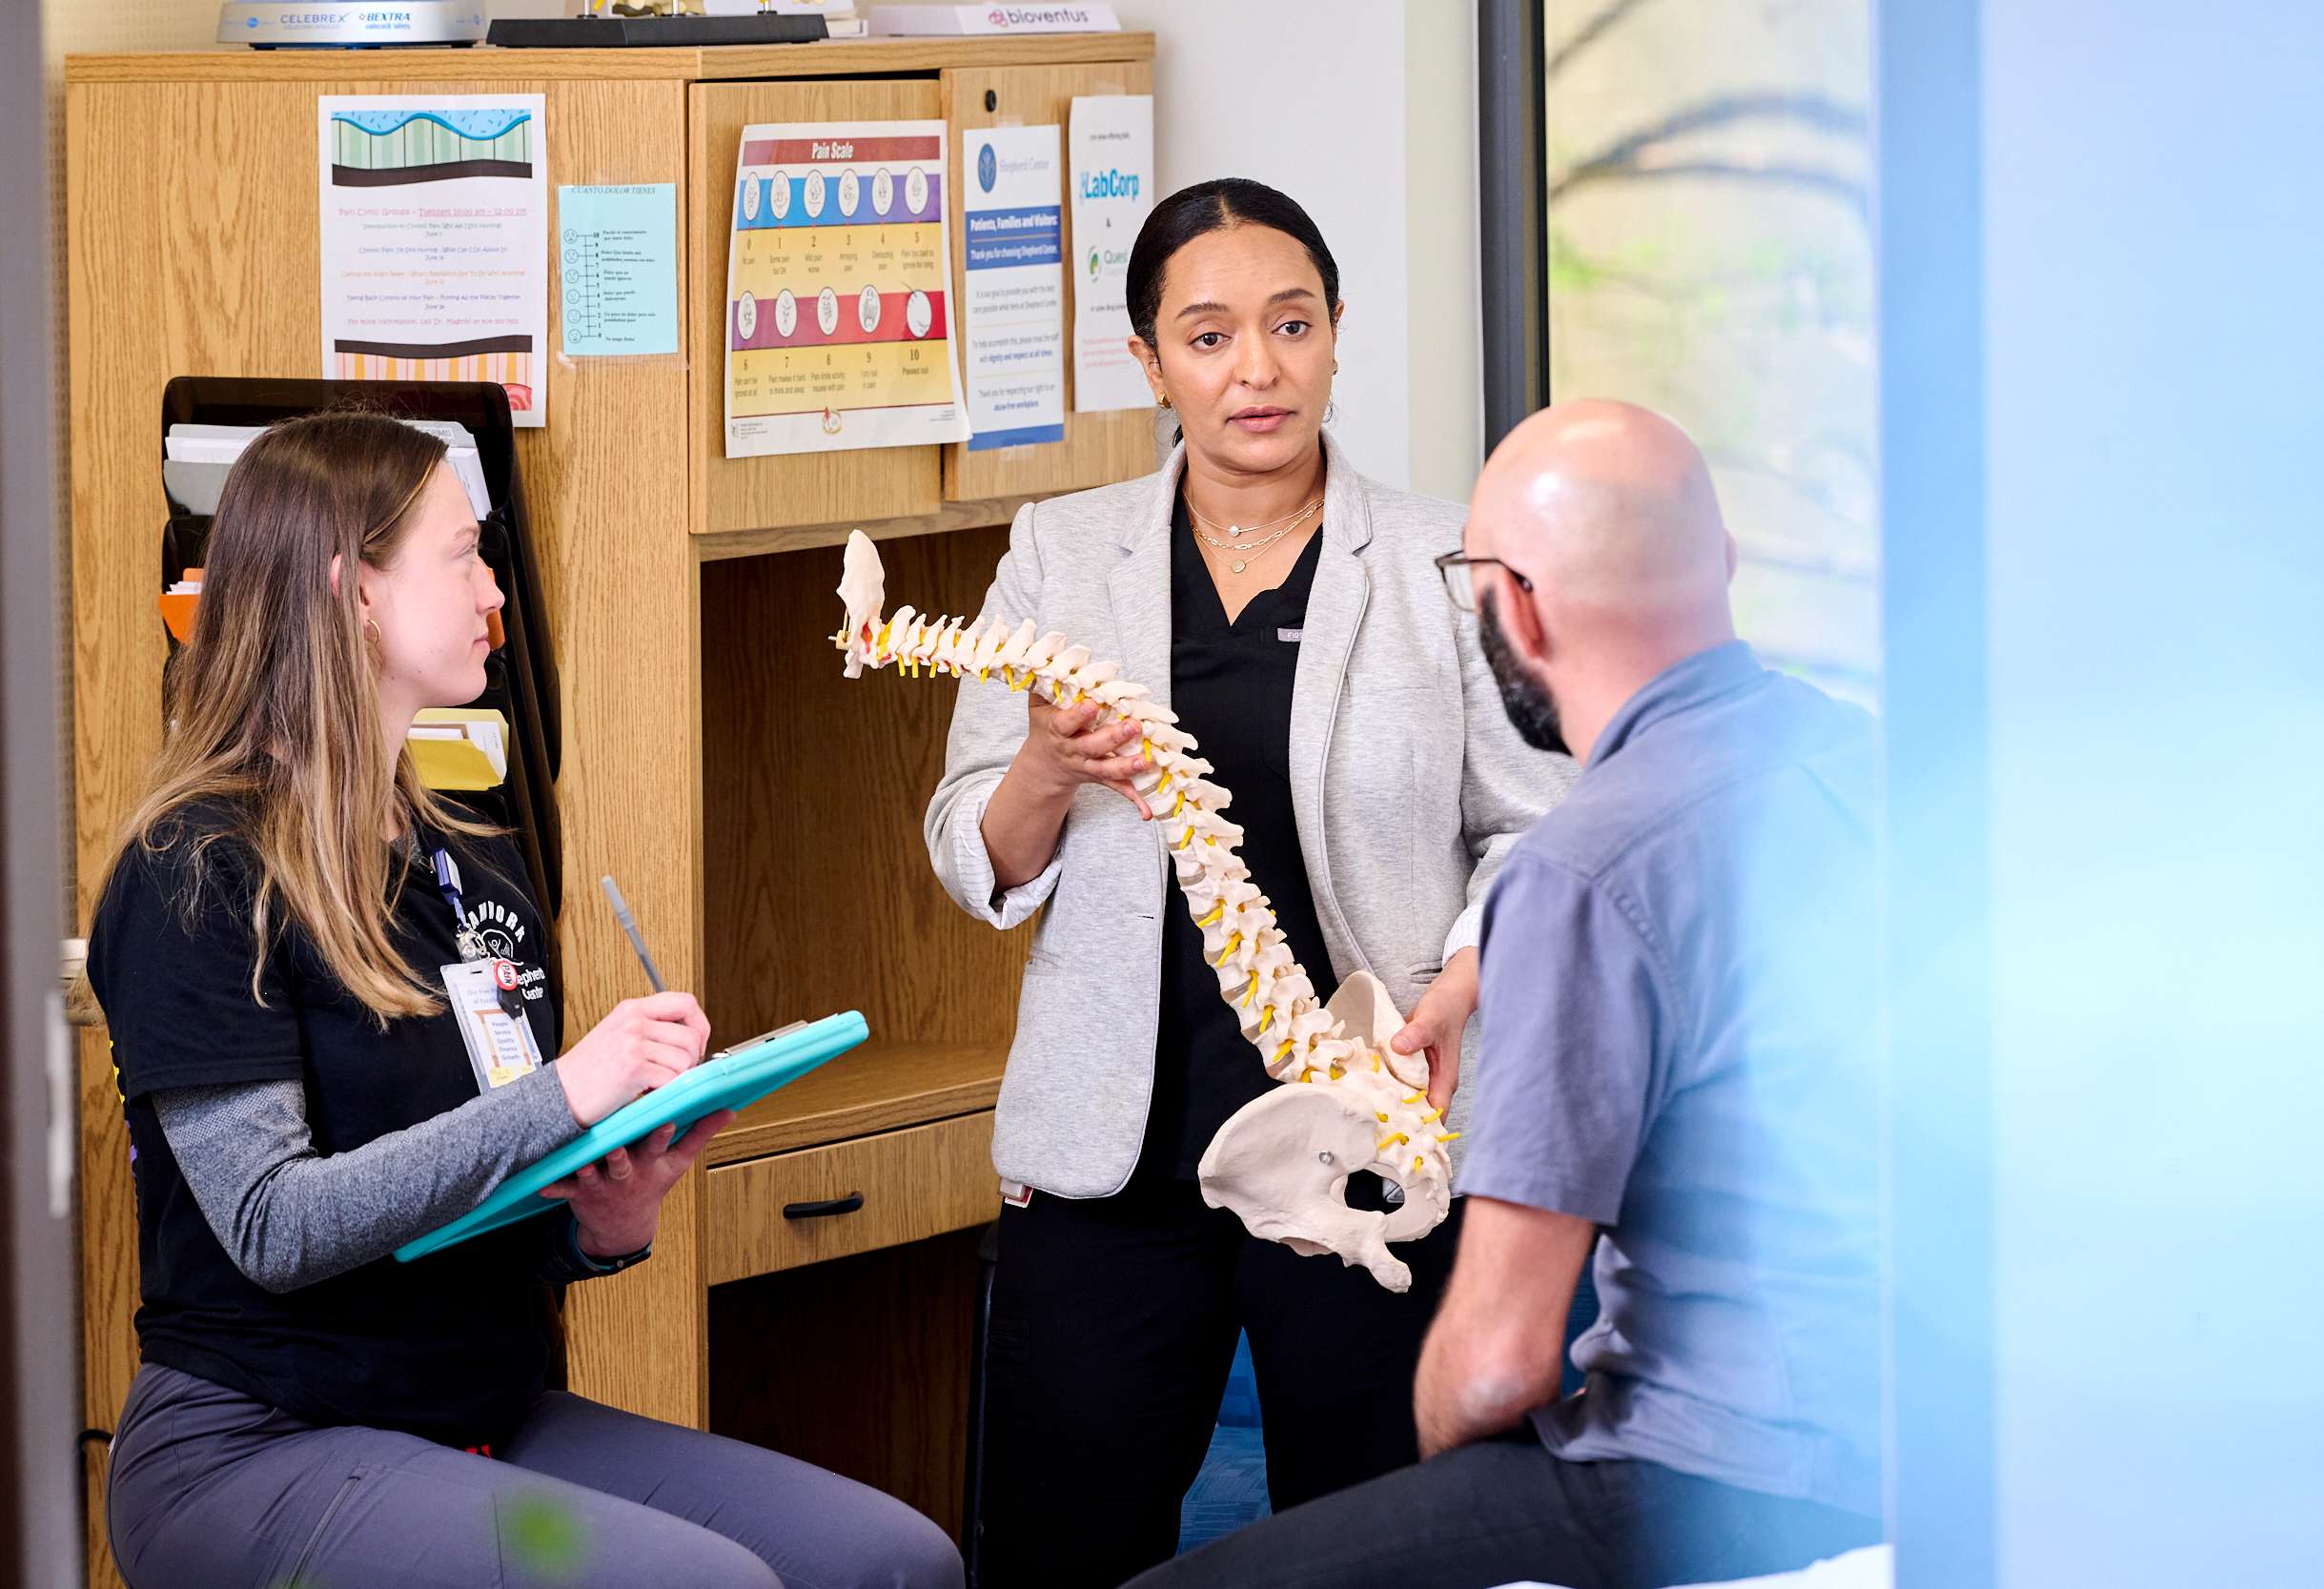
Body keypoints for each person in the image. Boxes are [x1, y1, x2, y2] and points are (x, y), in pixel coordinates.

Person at [83, 413, 961, 1589]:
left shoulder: (471, 857)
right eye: (463, 554)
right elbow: (274, 1225)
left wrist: (604, 1217)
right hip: (260, 1440)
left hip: (479, 1409)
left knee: (892, 1560)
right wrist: (567, 1088)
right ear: (353, 590)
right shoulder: (195, 869)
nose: (495, 587)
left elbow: (482, 1181)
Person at [925, 179, 1572, 1588]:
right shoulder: (1061, 551)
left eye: (1290, 324)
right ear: (1149, 363)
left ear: (1337, 332)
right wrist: (1044, 765)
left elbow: (1545, 833)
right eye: (1208, 336)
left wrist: (1466, 981)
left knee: (1383, 1554)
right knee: (1059, 1550)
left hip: (1361, 1134)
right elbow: (971, 847)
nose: (1257, 369)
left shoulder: (1443, 558)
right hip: (1111, 1159)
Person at [1126, 400, 1885, 1589]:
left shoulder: (1584, 872)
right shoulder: (1860, 760)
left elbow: (1493, 1363)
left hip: (1724, 1478)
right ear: (1722, 564)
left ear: (1516, 606)